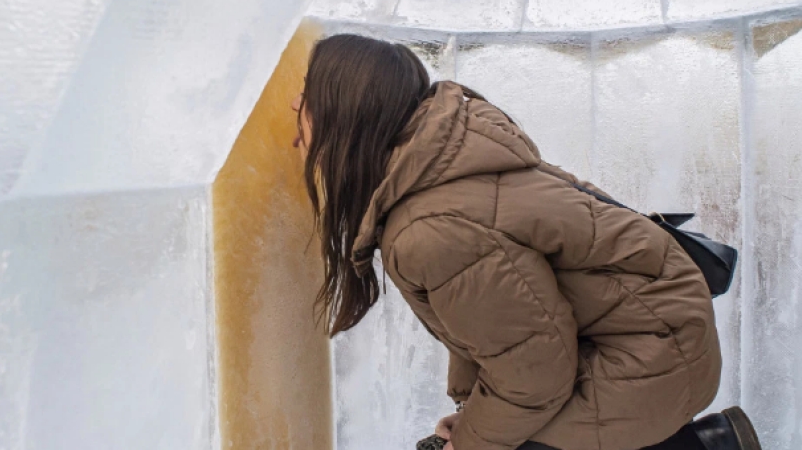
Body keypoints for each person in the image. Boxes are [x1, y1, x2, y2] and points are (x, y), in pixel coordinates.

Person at [290, 33, 762, 450]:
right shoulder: (438, 167)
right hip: (650, 331)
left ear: (345, 111)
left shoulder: (432, 226)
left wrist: (473, 439)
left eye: (308, 93)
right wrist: (472, 410)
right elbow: (496, 329)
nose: (295, 105)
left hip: (652, 358)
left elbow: (534, 376)